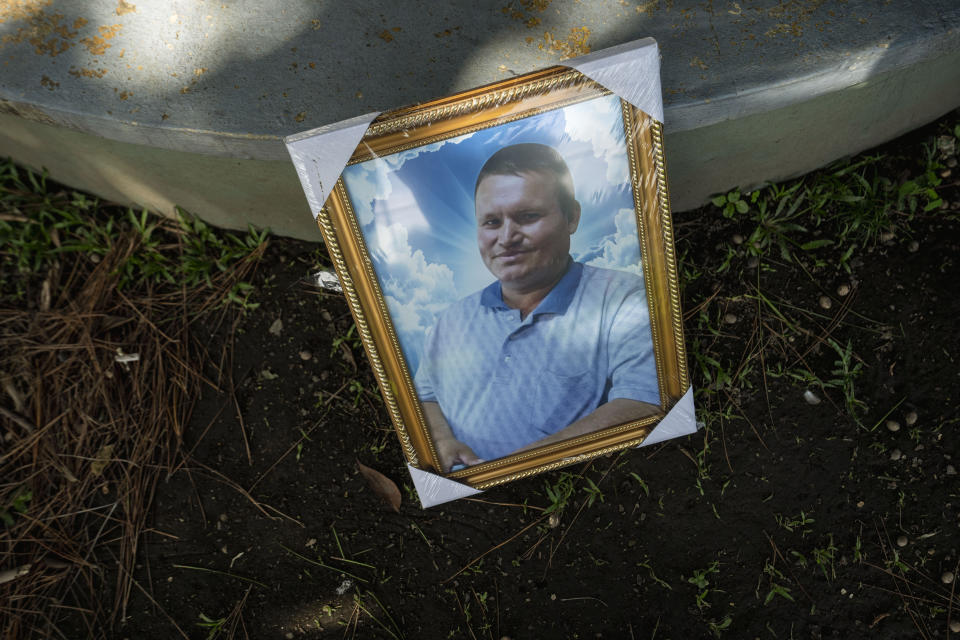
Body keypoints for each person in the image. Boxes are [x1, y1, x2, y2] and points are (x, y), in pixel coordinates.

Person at [414, 143, 659, 472]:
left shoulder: (621, 299)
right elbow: (425, 396)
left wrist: (509, 470)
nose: (506, 237)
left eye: (527, 217)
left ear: (572, 217)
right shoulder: (451, 319)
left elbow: (643, 401)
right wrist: (441, 440)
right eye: (491, 222)